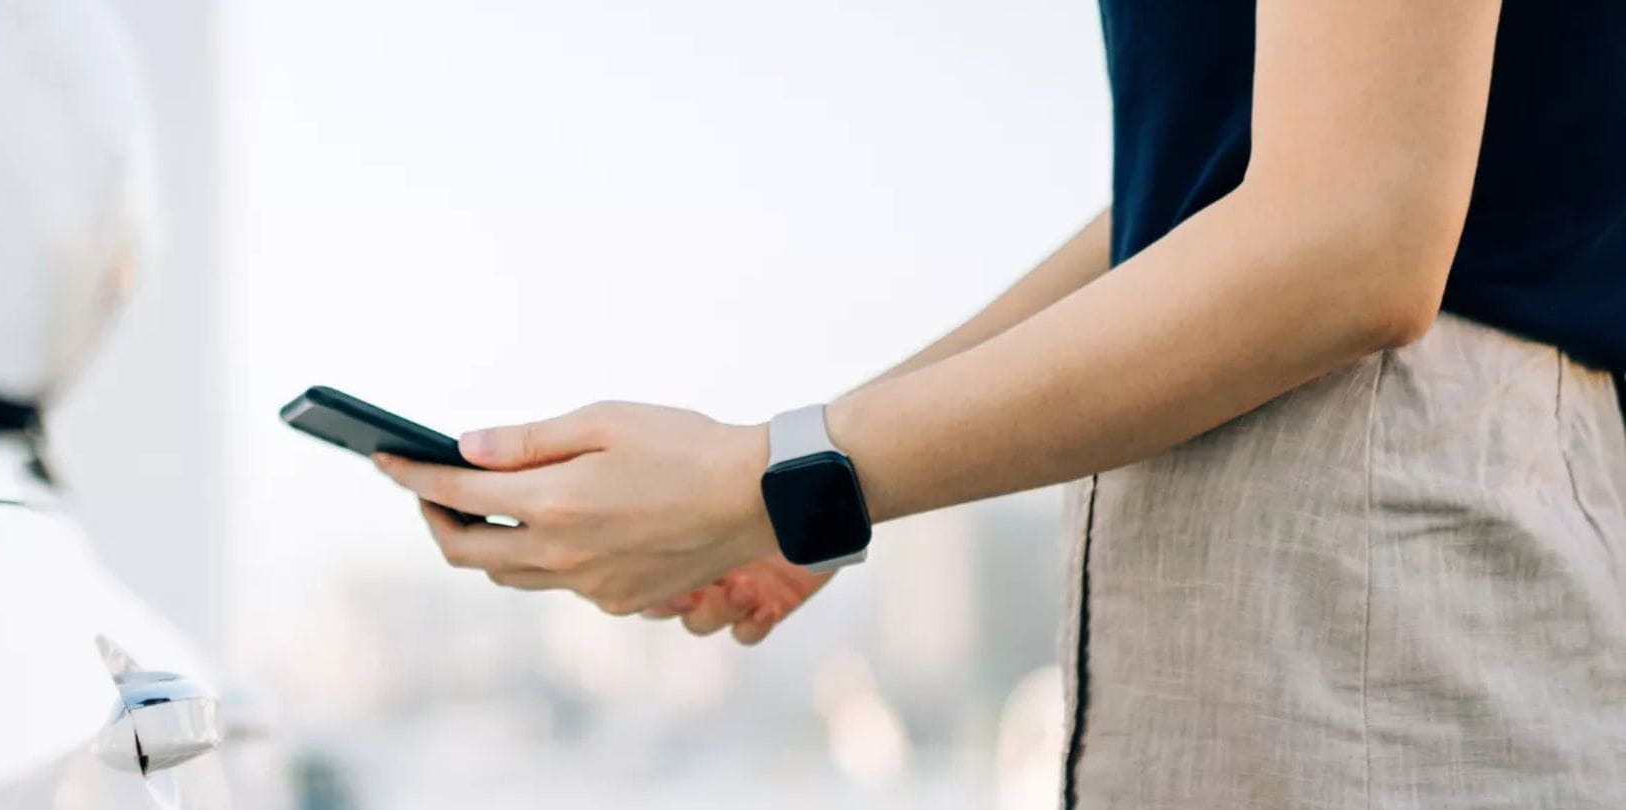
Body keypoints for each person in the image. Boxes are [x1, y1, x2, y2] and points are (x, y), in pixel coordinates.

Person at [372, 0, 1626, 805]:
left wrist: (775, 473)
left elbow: (1349, 234)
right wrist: (789, 486)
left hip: (1392, 553)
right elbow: (1201, 199)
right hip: (1305, 552)